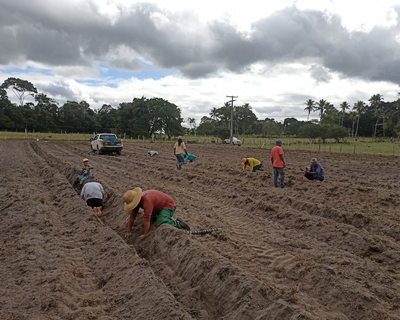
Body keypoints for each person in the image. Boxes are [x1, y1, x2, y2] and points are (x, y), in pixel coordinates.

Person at [123, 188, 190, 238]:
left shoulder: (147, 200)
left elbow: (146, 218)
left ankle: (178, 224)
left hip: (169, 205)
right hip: (157, 207)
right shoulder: (138, 202)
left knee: (160, 222)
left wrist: (145, 234)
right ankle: (161, 216)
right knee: (152, 218)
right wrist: (128, 231)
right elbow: (132, 216)